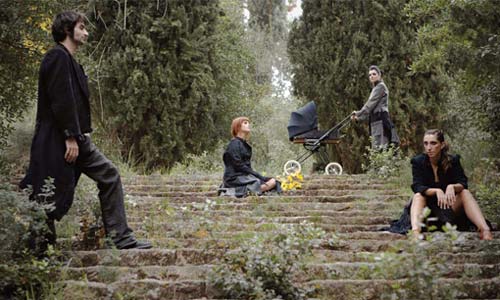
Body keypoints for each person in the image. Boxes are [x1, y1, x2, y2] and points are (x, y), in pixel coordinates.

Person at [20, 11, 151, 249]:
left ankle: (120, 237)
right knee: (47, 195)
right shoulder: (56, 57)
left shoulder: (72, 62)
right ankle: (37, 253)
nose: (86, 32)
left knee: (109, 175)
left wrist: (80, 135)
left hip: (78, 140)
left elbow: (74, 102)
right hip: (58, 142)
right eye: (81, 27)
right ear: (68, 30)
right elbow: (61, 99)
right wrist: (70, 136)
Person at [387, 129, 493, 240]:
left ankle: (485, 230)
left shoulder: (453, 160)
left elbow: (463, 183)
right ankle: (416, 232)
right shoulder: (418, 162)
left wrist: (452, 186)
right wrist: (436, 191)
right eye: (426, 143)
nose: (429, 147)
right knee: (418, 196)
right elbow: (417, 186)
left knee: (465, 193)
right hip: (427, 213)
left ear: (442, 145)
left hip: (447, 210)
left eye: (433, 143)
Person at [219, 117, 281, 197]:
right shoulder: (234, 144)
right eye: (245, 123)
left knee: (273, 181)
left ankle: (253, 190)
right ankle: (247, 191)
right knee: (259, 182)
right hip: (234, 178)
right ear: (237, 126)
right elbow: (239, 165)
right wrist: (259, 176)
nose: (248, 125)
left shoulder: (244, 145)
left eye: (248, 123)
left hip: (244, 176)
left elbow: (246, 167)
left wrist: (261, 177)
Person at [351, 65, 399, 148]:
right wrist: (358, 119)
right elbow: (370, 110)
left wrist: (358, 113)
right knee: (376, 148)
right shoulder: (375, 88)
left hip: (381, 120)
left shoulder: (381, 86)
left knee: (381, 148)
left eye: (374, 74)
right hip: (375, 121)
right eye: (370, 75)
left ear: (379, 75)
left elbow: (370, 104)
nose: (371, 76)